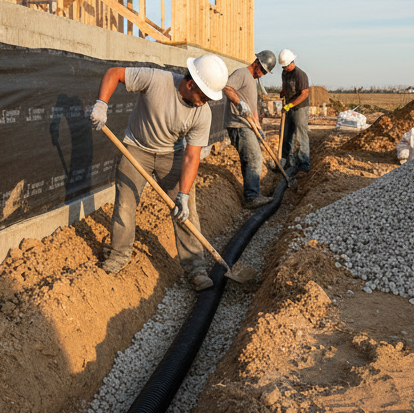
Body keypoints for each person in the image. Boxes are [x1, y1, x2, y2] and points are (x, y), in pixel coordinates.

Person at [89, 54, 229, 291]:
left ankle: (195, 268)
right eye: (203, 96)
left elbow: (192, 155)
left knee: (186, 211)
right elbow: (115, 72)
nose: (204, 101)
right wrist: (102, 104)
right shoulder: (156, 80)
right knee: (125, 204)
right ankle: (118, 256)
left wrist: (183, 194)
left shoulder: (202, 112)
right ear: (191, 82)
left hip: (171, 155)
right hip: (135, 148)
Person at [222, 50, 277, 209]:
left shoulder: (252, 81)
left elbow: (252, 110)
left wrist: (258, 127)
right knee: (254, 158)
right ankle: (252, 197)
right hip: (238, 124)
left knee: (252, 158)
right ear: (257, 63)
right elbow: (227, 88)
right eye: (264, 71)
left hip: (248, 125)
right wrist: (239, 103)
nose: (263, 75)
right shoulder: (241, 73)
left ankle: (252, 193)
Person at [278, 48, 310, 177]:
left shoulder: (300, 75)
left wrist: (291, 104)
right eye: (283, 67)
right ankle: (287, 163)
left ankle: (304, 166)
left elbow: (304, 94)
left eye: (286, 66)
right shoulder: (285, 73)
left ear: (292, 62)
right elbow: (285, 87)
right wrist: (283, 93)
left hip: (300, 108)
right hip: (288, 107)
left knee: (301, 136)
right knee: (286, 135)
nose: (285, 68)